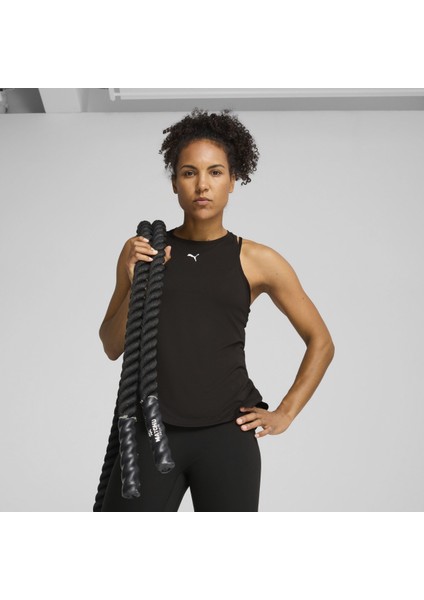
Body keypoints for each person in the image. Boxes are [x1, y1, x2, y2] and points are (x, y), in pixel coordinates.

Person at [98, 107, 335, 511]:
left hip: (227, 435)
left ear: (233, 181)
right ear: (174, 183)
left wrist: (285, 413)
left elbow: (321, 342)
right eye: (189, 172)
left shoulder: (258, 260)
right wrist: (138, 282)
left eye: (215, 172)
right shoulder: (143, 251)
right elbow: (111, 345)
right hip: (151, 430)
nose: (202, 185)